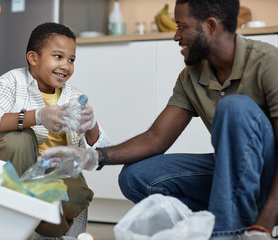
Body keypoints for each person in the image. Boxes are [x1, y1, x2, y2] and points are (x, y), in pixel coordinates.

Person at [39, 0, 278, 239]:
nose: (176, 36)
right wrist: (94, 156)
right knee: (135, 177)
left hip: (269, 179)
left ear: (210, 26)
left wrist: (264, 226)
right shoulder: (191, 77)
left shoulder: (268, 63)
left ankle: (230, 232)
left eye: (182, 26)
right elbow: (156, 138)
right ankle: (212, 222)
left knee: (234, 108)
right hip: (231, 179)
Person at [0, 22, 110, 239]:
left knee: (78, 194)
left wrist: (91, 125)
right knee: (17, 139)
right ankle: (11, 220)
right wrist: (36, 116)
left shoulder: (74, 97)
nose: (66, 65)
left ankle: (29, 223)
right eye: (58, 56)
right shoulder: (13, 81)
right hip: (16, 172)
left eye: (71, 59)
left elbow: (102, 151)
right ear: (33, 58)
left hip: (52, 174)